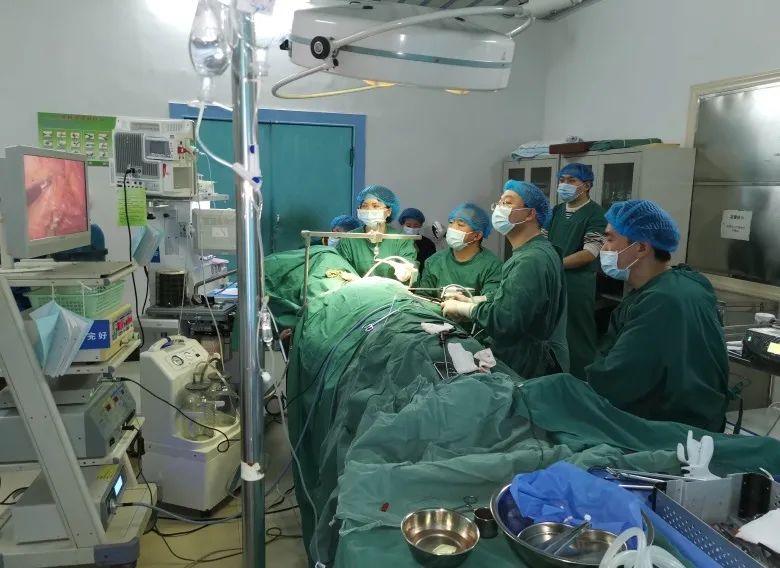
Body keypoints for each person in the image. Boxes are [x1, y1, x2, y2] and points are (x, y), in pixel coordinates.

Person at [585, 200, 729, 431]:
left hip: (672, 429)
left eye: (610, 239)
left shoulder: (662, 301)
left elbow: (621, 378)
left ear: (641, 248)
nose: (603, 248)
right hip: (691, 419)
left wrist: (580, 394)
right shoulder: (676, 284)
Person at [441, 181, 569, 378]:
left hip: (530, 363)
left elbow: (505, 320)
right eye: (499, 203)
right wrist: (476, 300)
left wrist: (464, 309)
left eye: (507, 203)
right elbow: (518, 300)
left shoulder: (530, 260)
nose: (499, 209)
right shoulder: (537, 250)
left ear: (530, 214)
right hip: (533, 354)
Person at [548, 163, 606, 378]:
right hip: (553, 279)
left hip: (577, 284)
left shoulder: (596, 214)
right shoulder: (556, 211)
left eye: (571, 181)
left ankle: (582, 378)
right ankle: (555, 375)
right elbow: (542, 240)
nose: (565, 185)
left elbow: (589, 253)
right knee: (551, 329)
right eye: (562, 180)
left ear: (587, 185)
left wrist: (554, 264)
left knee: (576, 332)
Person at [417, 202, 502, 299]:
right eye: (451, 222)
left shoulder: (492, 266)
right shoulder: (434, 261)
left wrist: (466, 304)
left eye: (460, 224)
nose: (452, 228)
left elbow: (490, 301)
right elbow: (422, 299)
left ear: (477, 235)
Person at [337, 185, 418, 281]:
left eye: (375, 206)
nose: (369, 210)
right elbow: (339, 269)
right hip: (357, 289)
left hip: (391, 290)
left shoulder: (401, 240)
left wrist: (406, 272)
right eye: (364, 206)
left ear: (388, 211)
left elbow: (410, 264)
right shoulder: (349, 239)